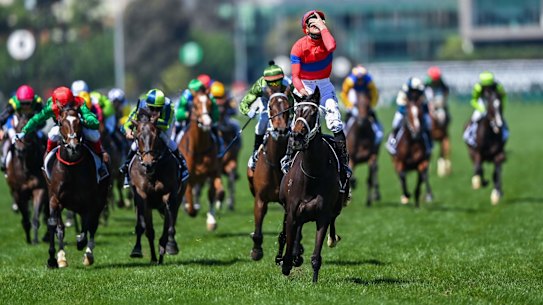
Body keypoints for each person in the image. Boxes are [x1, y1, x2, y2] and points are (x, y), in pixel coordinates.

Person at [286, 9, 351, 189]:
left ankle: (344, 166)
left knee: (335, 122)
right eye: (312, 22)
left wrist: (322, 26)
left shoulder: (326, 39)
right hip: (305, 85)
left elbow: (331, 46)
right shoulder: (298, 47)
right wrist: (303, 93)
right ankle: (289, 159)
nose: (317, 24)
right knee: (299, 122)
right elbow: (295, 76)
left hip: (324, 84)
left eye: (320, 21)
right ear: (306, 29)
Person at [15, 86, 109, 174]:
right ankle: (47, 158)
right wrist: (24, 131)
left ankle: (101, 162)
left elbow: (94, 121)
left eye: (69, 105)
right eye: (64, 106)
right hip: (62, 127)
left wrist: (83, 121)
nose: (67, 109)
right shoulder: (51, 107)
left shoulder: (79, 102)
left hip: (77, 125)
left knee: (93, 134)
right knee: (52, 134)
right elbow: (36, 119)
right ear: (57, 103)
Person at [120, 88, 188, 187]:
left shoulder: (169, 106)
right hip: (148, 124)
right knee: (136, 144)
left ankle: (183, 165)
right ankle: (126, 167)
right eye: (152, 108)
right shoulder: (141, 106)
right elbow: (126, 123)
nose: (155, 112)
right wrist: (127, 130)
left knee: (166, 140)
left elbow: (165, 125)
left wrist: (151, 121)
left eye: (158, 109)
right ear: (147, 105)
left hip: (165, 124)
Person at [239, 61, 294, 170]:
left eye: (277, 83)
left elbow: (293, 102)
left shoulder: (288, 84)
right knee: (263, 122)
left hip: (284, 104)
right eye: (271, 84)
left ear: (282, 79)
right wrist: (248, 111)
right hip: (266, 102)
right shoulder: (260, 86)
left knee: (291, 124)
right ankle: (255, 153)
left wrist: (292, 114)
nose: (275, 86)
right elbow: (244, 103)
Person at [0, 85, 44, 172]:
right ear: (18, 101)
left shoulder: (38, 103)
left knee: (42, 136)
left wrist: (35, 126)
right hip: (15, 123)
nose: (25, 106)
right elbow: (2, 118)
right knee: (11, 137)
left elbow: (43, 121)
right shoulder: (13, 103)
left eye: (28, 103)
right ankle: (4, 158)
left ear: (33, 101)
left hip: (32, 123)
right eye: (23, 103)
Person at [386, 77, 433, 156]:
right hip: (404, 111)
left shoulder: (422, 91)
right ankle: (392, 141)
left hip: (419, 111)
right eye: (414, 90)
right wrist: (409, 111)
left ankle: (429, 143)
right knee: (396, 123)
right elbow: (401, 103)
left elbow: (425, 103)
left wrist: (419, 109)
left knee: (428, 122)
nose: (415, 92)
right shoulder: (404, 91)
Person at [340, 64, 383, 146]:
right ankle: (344, 131)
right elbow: (344, 94)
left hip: (365, 98)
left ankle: (378, 132)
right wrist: (349, 105)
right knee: (349, 117)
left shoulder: (369, 81)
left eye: (361, 78)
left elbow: (374, 93)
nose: (360, 80)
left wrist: (371, 105)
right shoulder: (349, 81)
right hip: (353, 98)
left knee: (373, 117)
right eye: (358, 78)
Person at [174, 79, 222, 152]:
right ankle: (173, 147)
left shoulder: (208, 96)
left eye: (198, 90)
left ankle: (220, 148)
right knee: (177, 128)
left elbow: (215, 112)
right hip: (187, 122)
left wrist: (212, 118)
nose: (192, 92)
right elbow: (179, 114)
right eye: (192, 91)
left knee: (215, 129)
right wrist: (186, 114)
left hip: (206, 120)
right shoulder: (186, 96)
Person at [463, 71, 509, 147]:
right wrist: (481, 109)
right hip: (481, 103)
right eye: (486, 85)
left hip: (493, 104)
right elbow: (473, 100)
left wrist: (501, 108)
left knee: (500, 120)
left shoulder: (498, 86)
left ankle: (504, 134)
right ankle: (468, 134)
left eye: (489, 85)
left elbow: (503, 97)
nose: (488, 87)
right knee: (475, 118)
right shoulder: (478, 88)